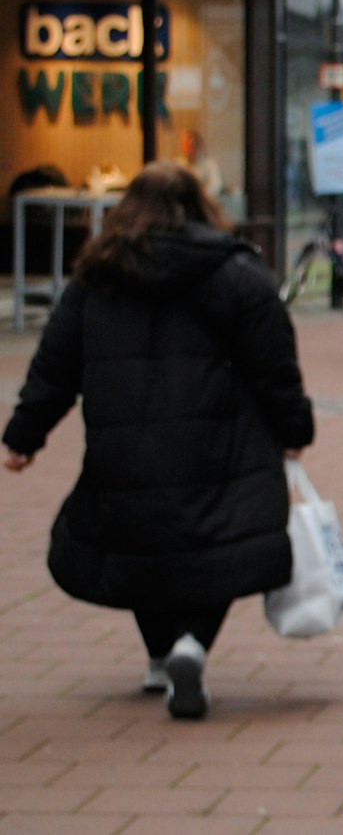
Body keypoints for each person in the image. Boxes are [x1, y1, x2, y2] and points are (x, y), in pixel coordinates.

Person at [2, 162, 313, 720]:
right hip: (219, 439)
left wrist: (24, 436)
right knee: (220, 539)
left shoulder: (98, 276)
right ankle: (192, 642)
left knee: (138, 538)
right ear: (200, 206)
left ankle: (157, 655)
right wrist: (294, 430)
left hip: (123, 442)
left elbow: (55, 364)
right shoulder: (235, 272)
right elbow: (274, 363)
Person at [178, 129, 223, 199]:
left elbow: (215, 187)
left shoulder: (210, 165)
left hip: (202, 202)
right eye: (185, 144)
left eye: (192, 145)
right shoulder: (179, 164)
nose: (189, 148)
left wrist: (197, 194)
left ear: (199, 146)